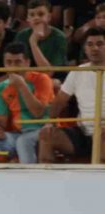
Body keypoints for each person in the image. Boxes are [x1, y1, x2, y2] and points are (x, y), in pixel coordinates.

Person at [38, 27, 105, 163]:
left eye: (100, 44)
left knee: (103, 136)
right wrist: (50, 122)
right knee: (46, 136)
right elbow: (59, 101)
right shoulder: (78, 71)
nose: (95, 48)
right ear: (85, 49)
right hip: (83, 133)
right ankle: (46, 183)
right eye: (90, 44)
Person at [0, 42, 53, 164]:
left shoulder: (42, 79)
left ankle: (29, 179)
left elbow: (38, 113)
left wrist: (21, 85)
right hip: (18, 133)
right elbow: (0, 120)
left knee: (23, 141)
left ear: (27, 62)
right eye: (9, 62)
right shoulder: (2, 87)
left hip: (42, 130)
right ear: (4, 64)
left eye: (18, 62)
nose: (13, 67)